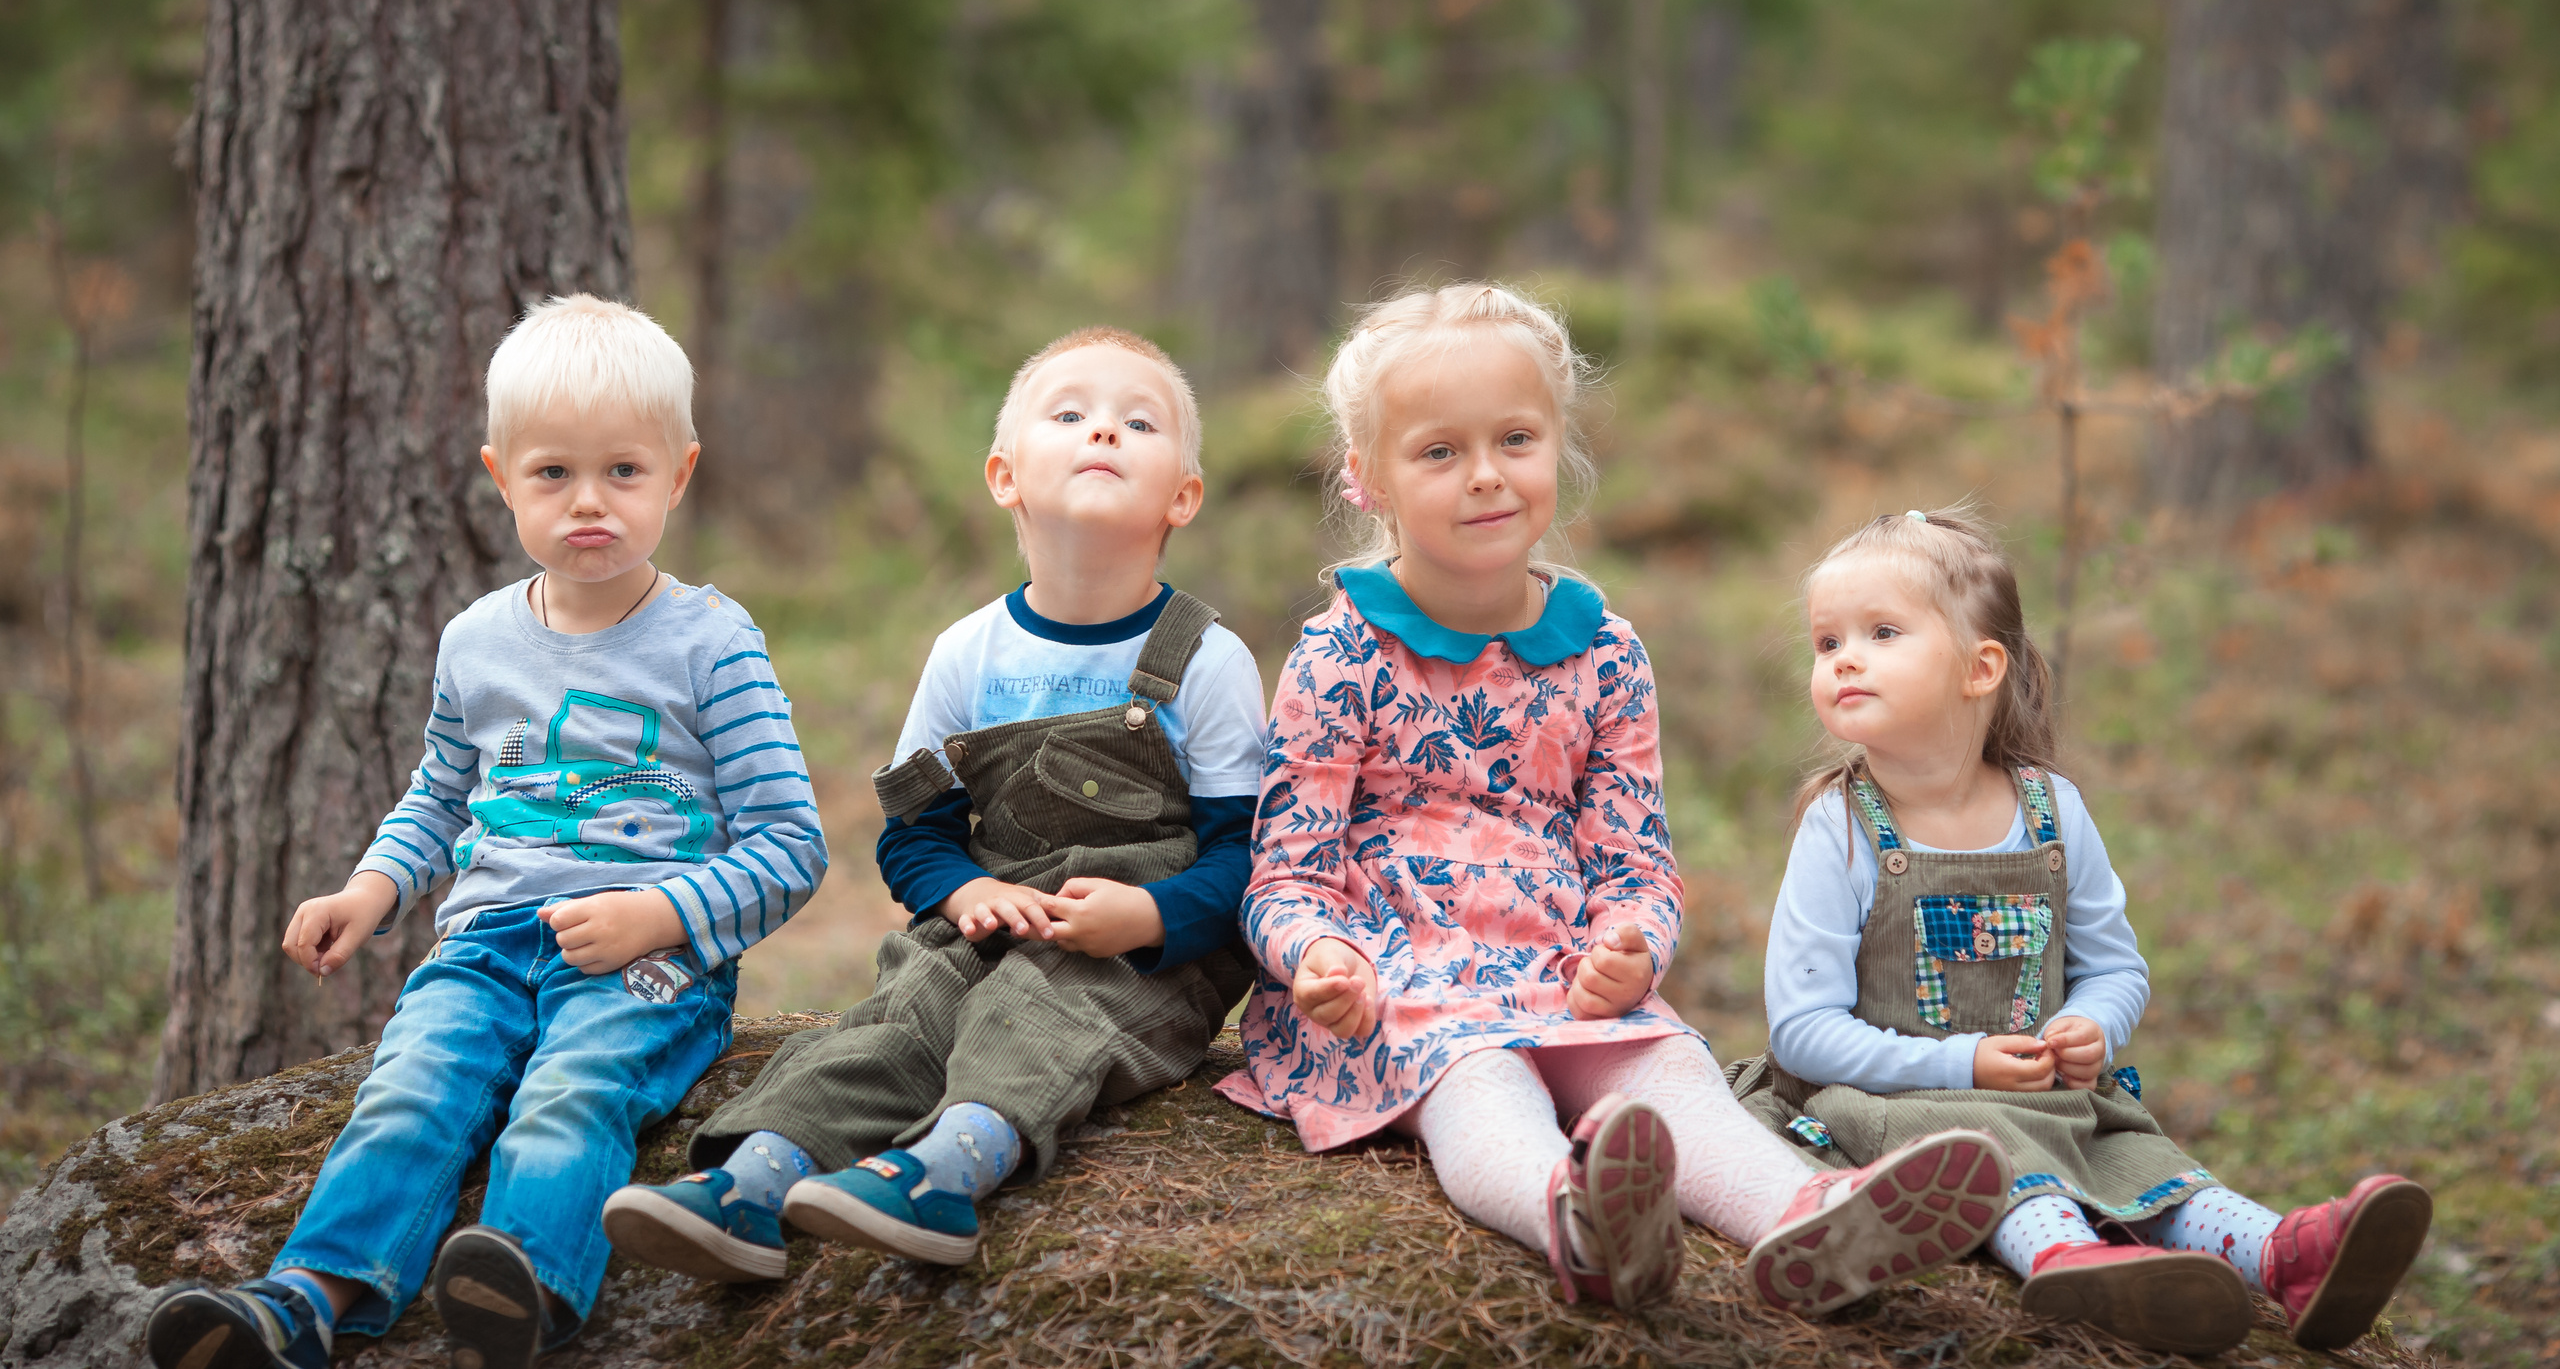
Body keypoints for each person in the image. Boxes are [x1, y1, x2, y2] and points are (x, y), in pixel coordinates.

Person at [1219, 281, 2011, 1314]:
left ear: (1558, 445)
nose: (1486, 477)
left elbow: (1632, 855)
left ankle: (1813, 1219)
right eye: (1439, 452)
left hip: (1555, 965)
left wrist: (1630, 940)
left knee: (1667, 1068)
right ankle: (1576, 1214)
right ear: (1366, 477)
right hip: (1396, 975)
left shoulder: (1603, 650)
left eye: (1514, 438)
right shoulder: (1341, 653)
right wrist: (1315, 957)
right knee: (1480, 1081)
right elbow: (1287, 868)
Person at [144, 295, 828, 1369]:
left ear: (679, 475)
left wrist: (661, 914)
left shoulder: (711, 641)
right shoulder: (476, 642)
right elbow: (441, 797)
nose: (588, 502)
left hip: (648, 960)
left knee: (572, 1090)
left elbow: (791, 846)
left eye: (625, 473)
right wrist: (371, 891)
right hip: (480, 947)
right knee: (408, 1096)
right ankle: (306, 1299)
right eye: (553, 473)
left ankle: (524, 1282)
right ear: (500, 475)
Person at [604, 325, 1266, 1278]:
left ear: (1185, 495)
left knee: (1038, 1018)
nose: (1104, 433)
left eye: (1139, 421)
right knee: (898, 1016)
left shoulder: (1204, 657)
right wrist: (959, 896)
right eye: (1071, 413)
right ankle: (751, 1179)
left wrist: (1151, 915)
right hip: (985, 925)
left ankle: (942, 1176)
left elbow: (1247, 852)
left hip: (1146, 957)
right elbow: (915, 834)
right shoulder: (970, 652)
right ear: (1005, 474)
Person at [1730, 505, 2432, 1353]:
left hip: (2045, 1093)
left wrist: (2092, 1023)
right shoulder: (1841, 827)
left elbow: (2116, 966)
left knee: (2140, 1160)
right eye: (1825, 641)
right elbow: (1801, 1032)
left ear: (1981, 666)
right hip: (1894, 1101)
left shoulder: (2050, 812)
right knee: (1984, 1145)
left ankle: (2285, 1253)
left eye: (1881, 631)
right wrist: (1964, 1061)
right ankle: (2069, 1260)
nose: (1844, 657)